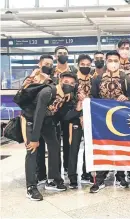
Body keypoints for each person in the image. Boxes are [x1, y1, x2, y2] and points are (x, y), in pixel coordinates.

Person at [22, 72, 77, 201]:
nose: (68, 85)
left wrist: (77, 109)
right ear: (60, 80)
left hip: (47, 122)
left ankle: (53, 180)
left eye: (72, 83)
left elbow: (63, 117)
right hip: (31, 120)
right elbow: (38, 114)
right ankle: (31, 187)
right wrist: (35, 139)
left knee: (54, 147)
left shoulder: (66, 96)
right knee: (32, 150)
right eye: (66, 82)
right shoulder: (48, 92)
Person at [90, 51, 130, 193]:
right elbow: (94, 97)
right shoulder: (98, 78)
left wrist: (125, 97)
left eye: (115, 60)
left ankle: (121, 175)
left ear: (120, 62)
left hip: (121, 117)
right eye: (110, 60)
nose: (113, 63)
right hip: (102, 118)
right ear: (106, 62)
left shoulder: (125, 78)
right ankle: (100, 178)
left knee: (121, 145)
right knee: (103, 146)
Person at [21, 55, 54, 185]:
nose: (48, 66)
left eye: (51, 64)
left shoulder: (51, 80)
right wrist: (31, 81)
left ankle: (48, 177)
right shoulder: (30, 79)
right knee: (32, 149)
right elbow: (21, 96)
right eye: (46, 64)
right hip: (29, 118)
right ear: (39, 64)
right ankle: (31, 185)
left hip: (45, 119)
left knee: (51, 147)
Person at [65, 54, 93, 189]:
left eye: (88, 65)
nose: (85, 67)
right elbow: (70, 102)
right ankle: (72, 177)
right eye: (83, 64)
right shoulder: (73, 81)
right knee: (73, 148)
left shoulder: (94, 80)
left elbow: (95, 99)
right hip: (74, 120)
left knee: (88, 147)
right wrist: (79, 114)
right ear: (78, 65)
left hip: (89, 119)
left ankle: (86, 173)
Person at [52, 46, 77, 175]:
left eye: (65, 53)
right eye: (60, 53)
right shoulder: (51, 71)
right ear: (55, 56)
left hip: (69, 110)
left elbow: (78, 89)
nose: (62, 55)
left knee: (68, 140)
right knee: (55, 141)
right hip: (54, 111)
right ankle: (56, 169)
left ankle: (67, 167)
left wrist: (71, 95)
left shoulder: (73, 70)